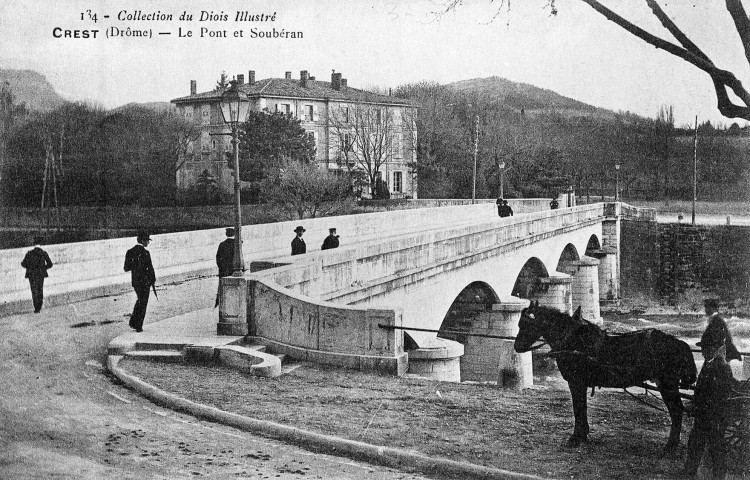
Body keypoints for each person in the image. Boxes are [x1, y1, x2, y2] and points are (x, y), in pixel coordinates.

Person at [681, 314, 738, 479]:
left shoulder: (722, 367)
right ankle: (689, 472)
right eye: (703, 348)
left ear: (715, 348)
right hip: (704, 416)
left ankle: (719, 476)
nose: (704, 351)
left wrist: (699, 408)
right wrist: (695, 405)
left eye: (707, 348)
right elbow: (702, 390)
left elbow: (720, 396)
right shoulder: (709, 364)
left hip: (714, 418)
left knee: (716, 449)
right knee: (695, 445)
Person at [124, 232, 156, 333]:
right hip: (145, 282)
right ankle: (138, 325)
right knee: (143, 303)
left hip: (136, 282)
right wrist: (152, 280)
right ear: (142, 241)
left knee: (140, 300)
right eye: (147, 241)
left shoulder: (130, 252)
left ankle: (134, 322)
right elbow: (150, 268)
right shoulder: (146, 253)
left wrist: (135, 264)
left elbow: (126, 268)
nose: (148, 243)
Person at [20, 236, 53, 313]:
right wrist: (43, 268)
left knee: (34, 290)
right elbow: (50, 264)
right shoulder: (43, 253)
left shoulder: (29, 253)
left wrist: (30, 267)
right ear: (41, 244)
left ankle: (36, 308)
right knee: (40, 289)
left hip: (32, 274)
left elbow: (23, 264)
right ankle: (40, 305)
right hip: (41, 274)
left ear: (34, 244)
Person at [215, 227, 235, 308]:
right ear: (234, 234)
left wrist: (221, 268)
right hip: (233, 270)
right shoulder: (237, 244)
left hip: (223, 271)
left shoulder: (222, 244)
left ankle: (220, 304)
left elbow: (218, 258)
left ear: (226, 234)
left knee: (222, 288)